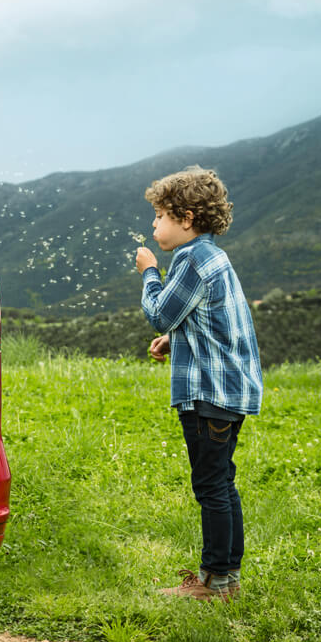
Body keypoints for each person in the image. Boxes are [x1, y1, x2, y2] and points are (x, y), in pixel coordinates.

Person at [132, 166, 262, 601]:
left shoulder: (188, 260)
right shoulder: (212, 256)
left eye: (159, 216)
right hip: (228, 389)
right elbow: (211, 319)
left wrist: (150, 271)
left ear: (185, 217)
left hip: (209, 393)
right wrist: (175, 341)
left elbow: (160, 311)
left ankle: (213, 583)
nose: (154, 226)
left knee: (210, 486)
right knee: (222, 481)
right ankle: (228, 579)